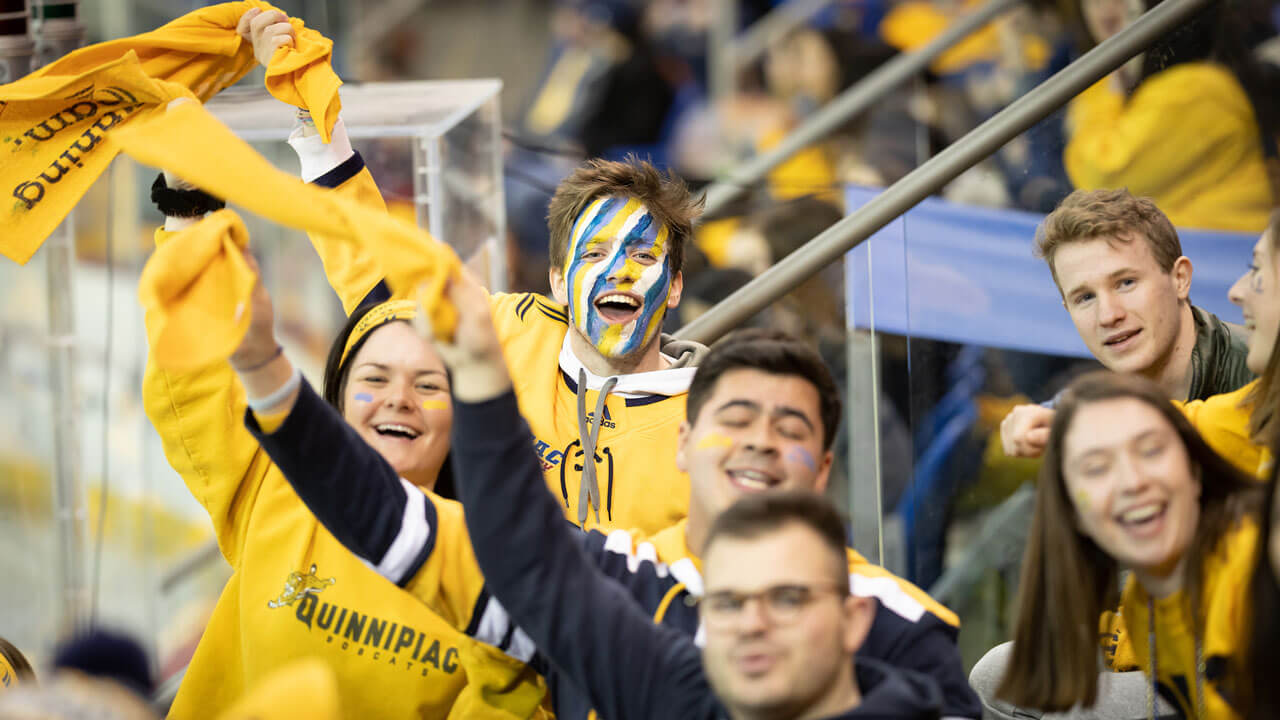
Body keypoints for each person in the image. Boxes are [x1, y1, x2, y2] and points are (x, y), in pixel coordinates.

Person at [229, 259, 982, 718]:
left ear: (821, 469)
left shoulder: (904, 632)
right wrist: (265, 367)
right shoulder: (630, 597)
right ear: (682, 445)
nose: (759, 439)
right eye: (736, 417)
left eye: (790, 427)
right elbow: (405, 527)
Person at [140, 13, 544, 718]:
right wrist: (187, 187)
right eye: (375, 381)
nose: (399, 400)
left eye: (429, 385)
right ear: (337, 395)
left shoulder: (488, 575)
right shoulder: (277, 491)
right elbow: (196, 367)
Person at [995, 371, 1258, 719]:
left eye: (1151, 451)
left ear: (1195, 471)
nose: (1132, 482)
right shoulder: (1138, 606)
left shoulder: (1257, 567)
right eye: (1096, 468)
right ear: (1072, 513)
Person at [1000, 189, 1253, 460]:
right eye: (1085, 298)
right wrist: (1045, 419)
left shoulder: (1264, 374)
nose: (1108, 316)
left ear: (1180, 279)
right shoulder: (1093, 408)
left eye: (1126, 283)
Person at [1063, 0, 1274, 232]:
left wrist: (1111, 82)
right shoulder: (1166, 85)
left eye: (1127, 1)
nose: (1108, 9)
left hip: (1218, 253)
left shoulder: (1191, 89)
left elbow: (1101, 179)